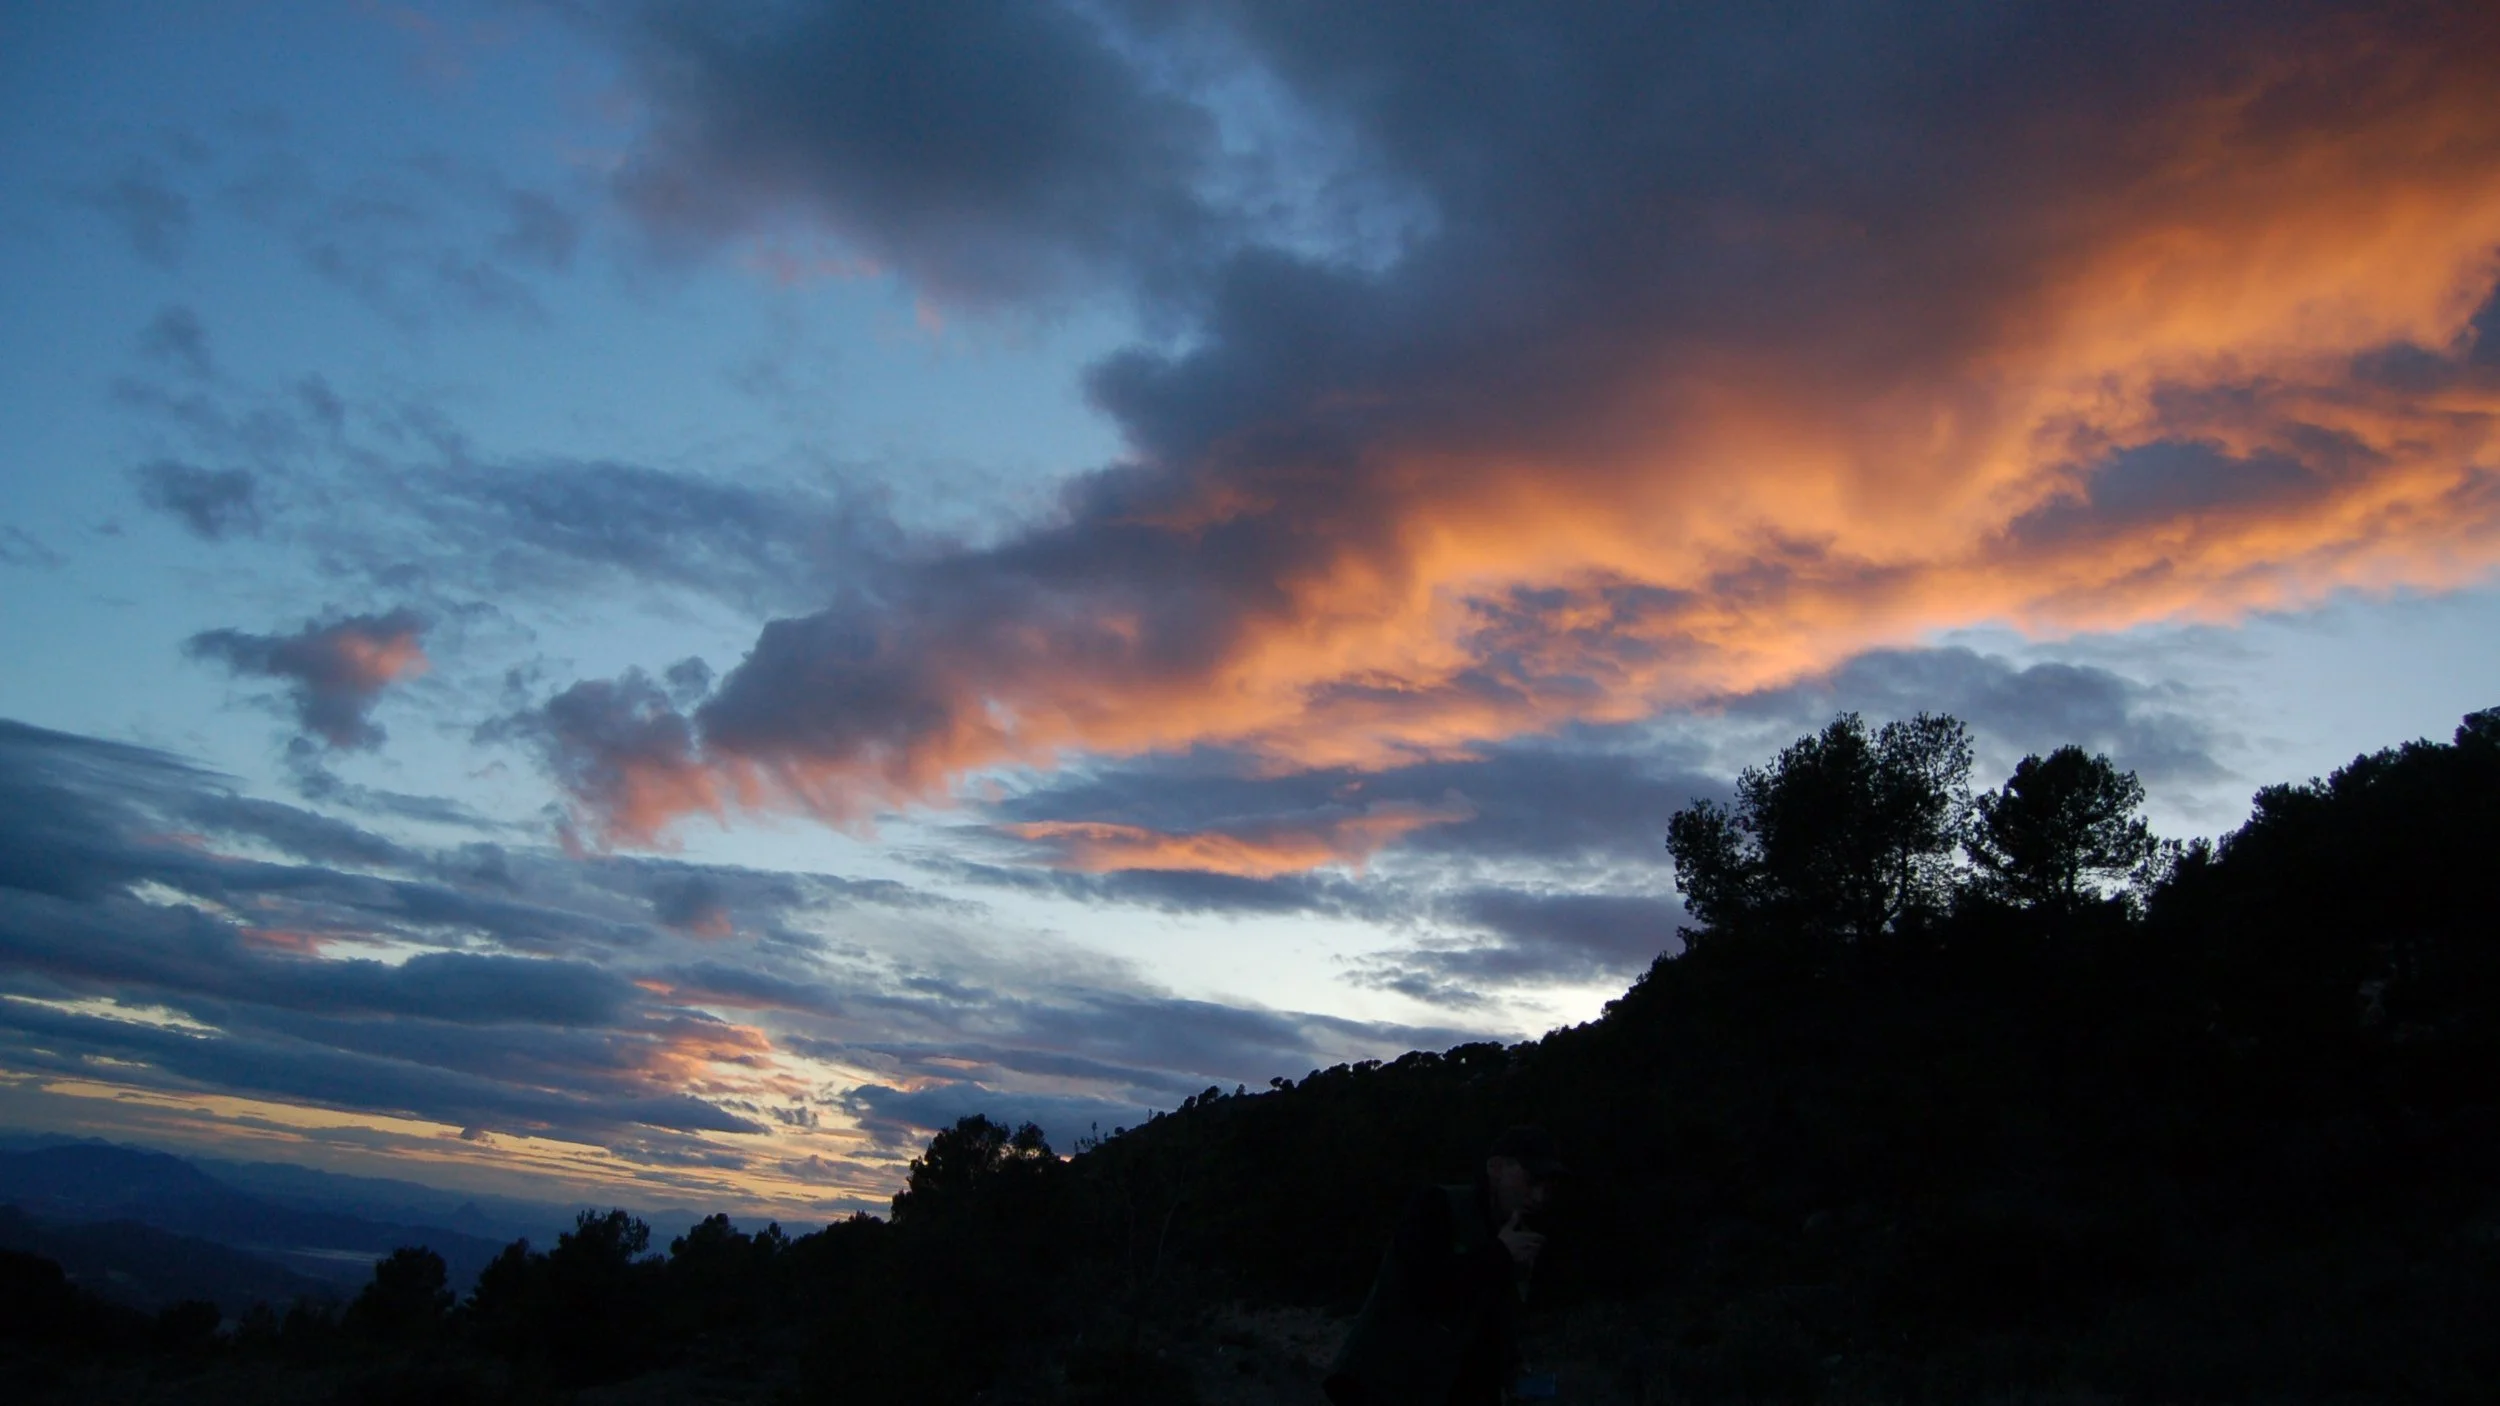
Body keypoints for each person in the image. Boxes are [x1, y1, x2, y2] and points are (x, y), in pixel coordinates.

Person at [1323, 1126, 1566, 1406]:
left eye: (1546, 1187)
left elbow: (1491, 1322)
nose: (1538, 1197)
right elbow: (1417, 1288)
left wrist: (1513, 1372)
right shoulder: (1439, 1205)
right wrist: (1499, 1255)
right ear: (1496, 1168)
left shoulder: (1519, 1237)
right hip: (1387, 1387)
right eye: (1531, 1180)